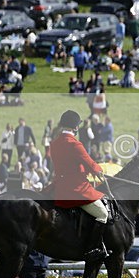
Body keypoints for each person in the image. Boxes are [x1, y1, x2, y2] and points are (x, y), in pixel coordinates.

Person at [49, 110, 109, 261]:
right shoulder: (75, 144)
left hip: (59, 186)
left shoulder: (54, 143)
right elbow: (90, 163)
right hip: (75, 189)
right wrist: (99, 172)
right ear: (75, 127)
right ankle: (94, 248)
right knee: (103, 214)